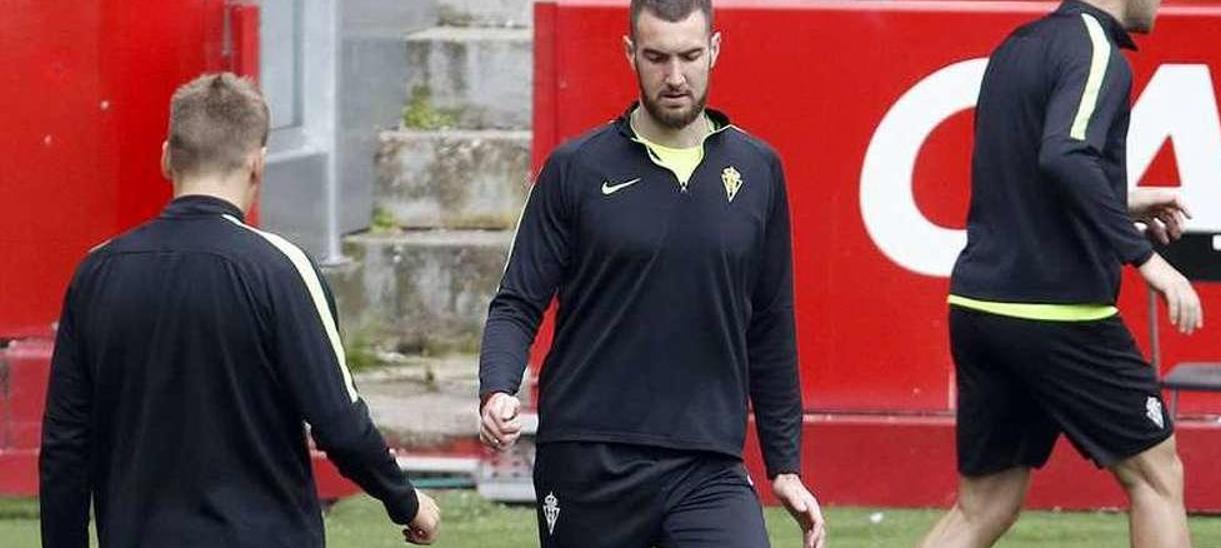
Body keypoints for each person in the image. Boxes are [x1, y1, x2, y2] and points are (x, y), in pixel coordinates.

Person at [39, 73, 440, 548]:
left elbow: (65, 448)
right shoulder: (281, 269)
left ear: (167, 157)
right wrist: (406, 500)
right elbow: (339, 423)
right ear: (258, 165)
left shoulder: (97, 273)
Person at [477, 1, 824, 547]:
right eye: (658, 58)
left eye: (689, 56)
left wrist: (785, 463)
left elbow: (772, 323)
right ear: (630, 54)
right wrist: (498, 387)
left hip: (707, 462)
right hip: (588, 459)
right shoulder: (577, 169)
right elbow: (517, 301)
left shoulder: (759, 171)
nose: (675, 76)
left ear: (714, 49)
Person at [921, 0, 1202, 546]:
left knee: (986, 505)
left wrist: (1128, 200)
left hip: (981, 308)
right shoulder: (1096, 50)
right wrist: (1148, 261)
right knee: (1157, 477)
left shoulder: (1018, 47)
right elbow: (1067, 156)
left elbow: (1032, 173)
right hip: (1057, 313)